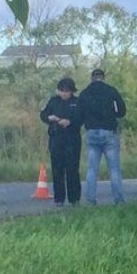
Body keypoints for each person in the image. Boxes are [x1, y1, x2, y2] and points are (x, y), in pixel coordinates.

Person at [74, 68, 127, 205]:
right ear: (103, 78)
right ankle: (118, 199)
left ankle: (91, 199)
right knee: (114, 169)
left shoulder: (85, 93)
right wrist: (113, 116)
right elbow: (121, 111)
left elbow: (78, 115)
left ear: (92, 78)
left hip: (92, 132)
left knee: (92, 169)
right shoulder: (111, 90)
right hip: (109, 132)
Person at [39, 77, 82, 207]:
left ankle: (74, 199)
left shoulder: (77, 102)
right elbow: (43, 114)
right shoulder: (53, 101)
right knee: (57, 170)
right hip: (56, 139)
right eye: (62, 91)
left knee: (72, 170)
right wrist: (49, 118)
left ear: (72, 91)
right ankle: (59, 199)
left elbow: (81, 118)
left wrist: (70, 122)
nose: (64, 93)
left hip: (72, 140)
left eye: (67, 91)